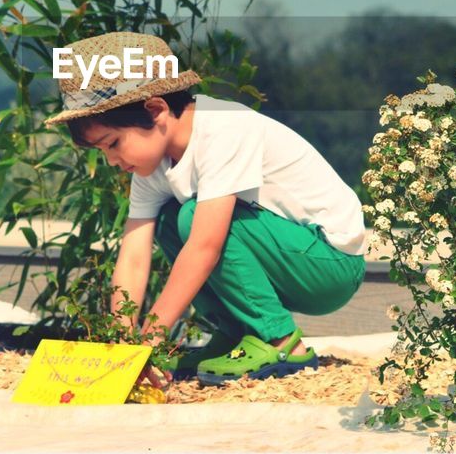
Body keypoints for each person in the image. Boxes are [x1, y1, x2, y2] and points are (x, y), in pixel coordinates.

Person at [45, 31, 367, 386]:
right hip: (287, 257)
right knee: (169, 219)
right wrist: (121, 346)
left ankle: (282, 342)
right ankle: (235, 332)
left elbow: (205, 247)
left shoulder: (223, 127)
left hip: (329, 265)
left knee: (194, 217)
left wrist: (149, 340)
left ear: (155, 110)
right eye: (102, 152)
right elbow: (134, 254)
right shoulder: (156, 165)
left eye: (113, 144)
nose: (112, 160)